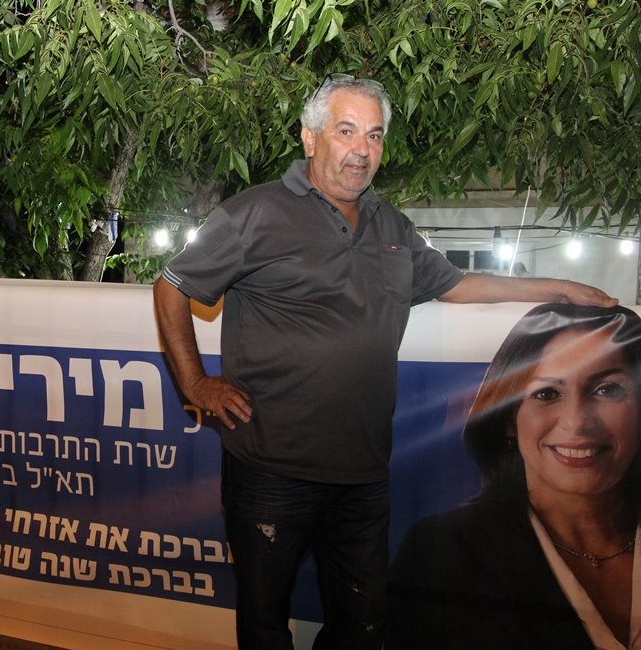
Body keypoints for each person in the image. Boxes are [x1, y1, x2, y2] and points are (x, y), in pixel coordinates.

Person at [151, 73, 618, 649]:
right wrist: (195, 383)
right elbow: (172, 284)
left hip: (363, 470)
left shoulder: (391, 225)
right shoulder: (254, 213)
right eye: (346, 131)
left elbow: (458, 284)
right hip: (271, 467)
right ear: (310, 138)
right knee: (264, 621)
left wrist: (558, 289)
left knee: (364, 624)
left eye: (374, 136)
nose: (362, 150)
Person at [387, 303, 641, 649]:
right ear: (508, 418)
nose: (577, 422)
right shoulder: (439, 553)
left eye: (608, 389)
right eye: (546, 393)